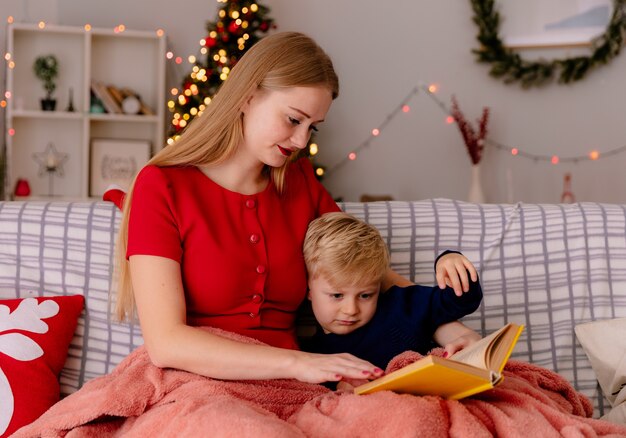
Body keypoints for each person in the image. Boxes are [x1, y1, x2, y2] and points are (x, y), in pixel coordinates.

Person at [114, 31, 480, 386]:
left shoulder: (299, 182)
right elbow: (166, 344)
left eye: (312, 128)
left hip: (293, 386)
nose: (301, 140)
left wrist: (451, 329)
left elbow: (370, 275)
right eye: (293, 119)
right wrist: (299, 362)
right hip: (195, 383)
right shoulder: (161, 185)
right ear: (247, 97)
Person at [302, 211, 483, 372]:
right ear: (308, 290)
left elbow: (460, 302)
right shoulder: (312, 355)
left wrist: (450, 262)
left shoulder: (402, 305)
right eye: (337, 295)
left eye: (365, 295)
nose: (351, 310)